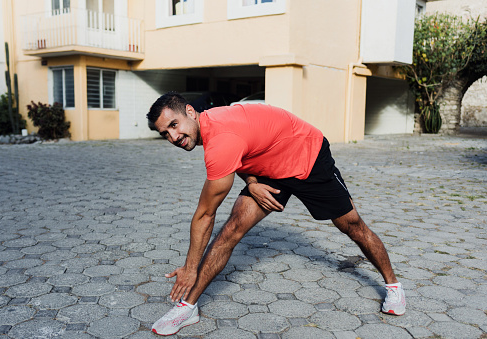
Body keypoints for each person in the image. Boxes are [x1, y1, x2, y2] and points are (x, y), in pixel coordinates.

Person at [146, 92, 406, 336]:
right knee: (231, 230)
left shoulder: (221, 138)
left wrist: (190, 269)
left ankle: (393, 286)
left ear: (190, 112)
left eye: (174, 124)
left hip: (307, 157)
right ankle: (188, 307)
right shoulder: (211, 126)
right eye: (165, 133)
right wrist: (251, 181)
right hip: (269, 170)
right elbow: (243, 148)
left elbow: (205, 215)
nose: (173, 136)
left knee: (352, 226)